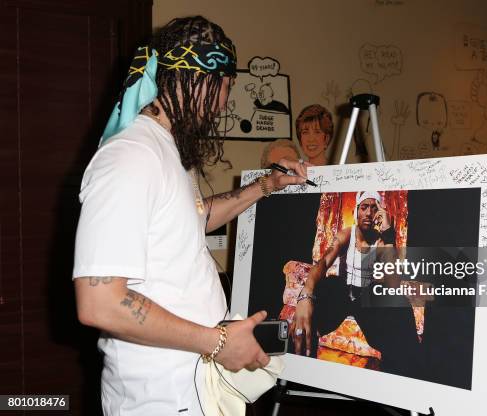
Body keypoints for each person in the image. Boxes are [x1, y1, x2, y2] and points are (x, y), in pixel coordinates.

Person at [72, 16, 310, 416]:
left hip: (192, 390)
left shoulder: (168, 152)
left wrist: (266, 185)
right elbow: (100, 303)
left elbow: (192, 220)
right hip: (159, 400)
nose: (222, 105)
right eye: (225, 88)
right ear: (197, 79)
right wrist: (217, 342)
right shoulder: (130, 157)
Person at [290, 191, 421, 374]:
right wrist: (306, 295)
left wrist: (389, 236)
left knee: (392, 298)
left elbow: (393, 284)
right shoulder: (346, 234)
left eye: (374, 208)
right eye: (364, 207)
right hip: (342, 294)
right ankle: (299, 368)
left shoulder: (382, 241)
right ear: (356, 211)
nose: (368, 213)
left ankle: (406, 373)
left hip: (366, 299)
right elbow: (323, 263)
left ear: (379, 214)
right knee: (331, 284)